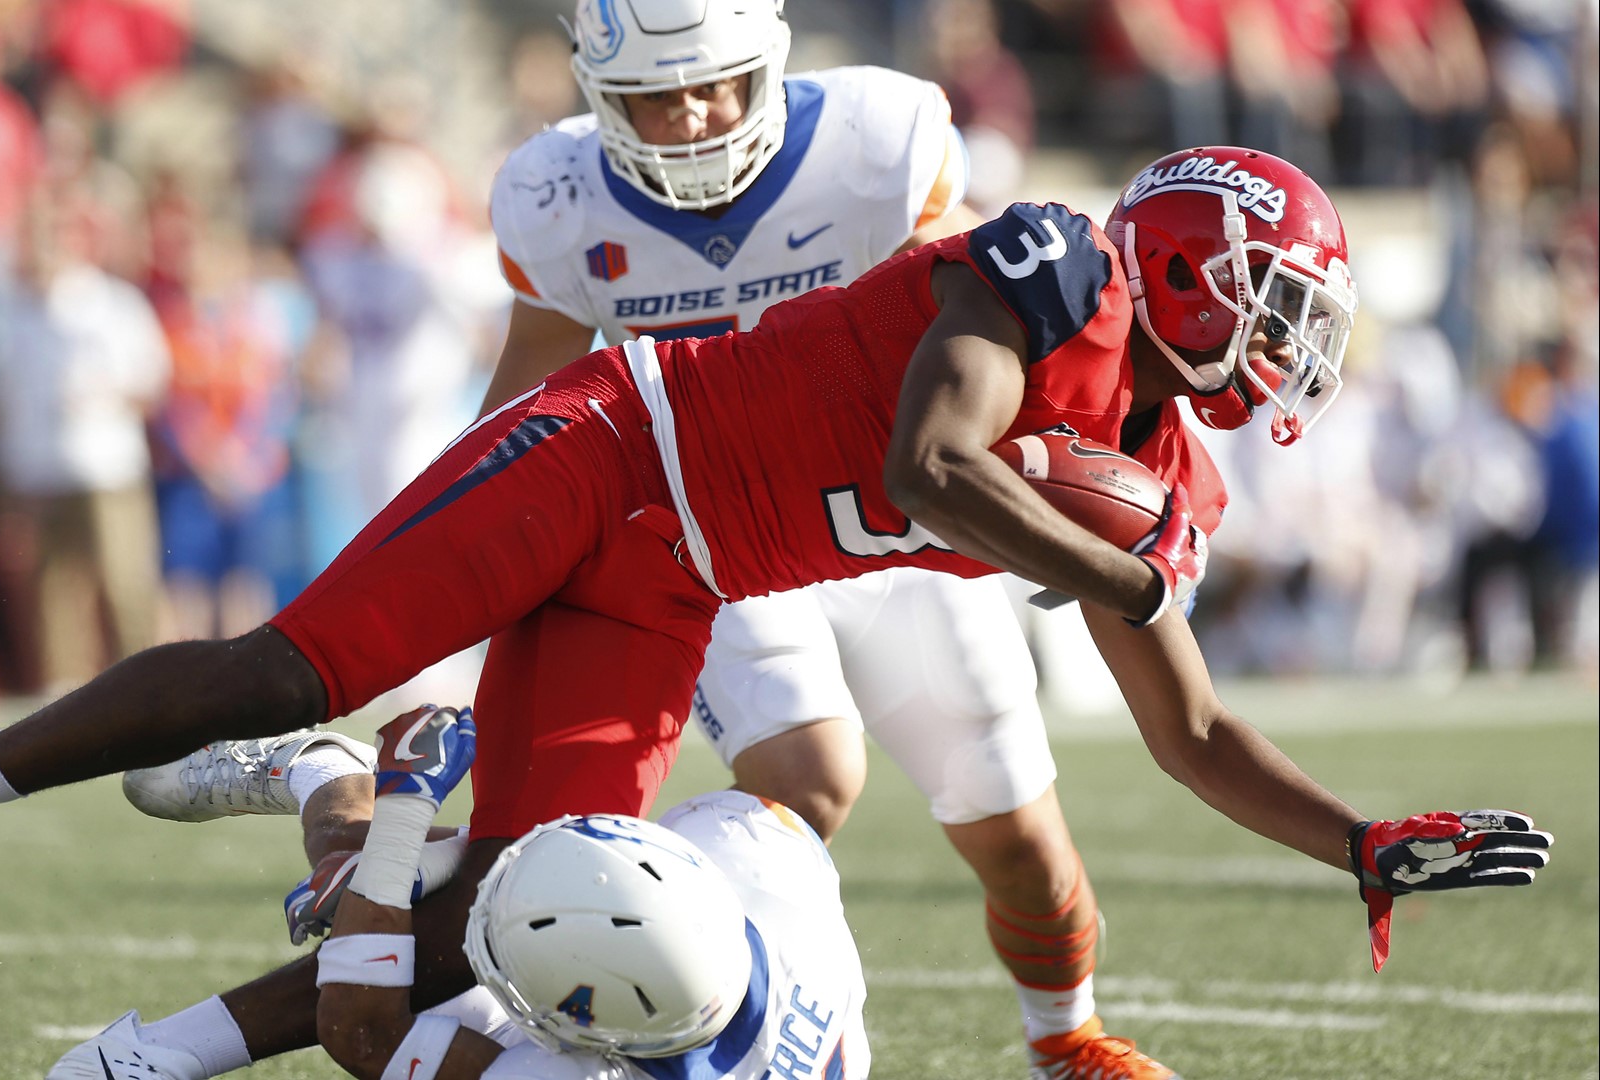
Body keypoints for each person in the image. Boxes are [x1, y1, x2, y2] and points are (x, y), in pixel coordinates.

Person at [0, 146, 1555, 1079]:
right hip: (606, 452)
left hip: (678, 585)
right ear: (1183, 258)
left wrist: (1359, 846)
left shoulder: (1170, 483)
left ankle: (163, 1047)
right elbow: (936, 461)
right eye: (1274, 298)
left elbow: (1192, 728)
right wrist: (1113, 567)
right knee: (285, 658)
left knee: (505, 925)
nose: (1288, 341)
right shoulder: (1058, 262)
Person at [126, 3, 1167, 1072]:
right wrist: (483, 557)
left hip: (894, 519)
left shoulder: (876, 140)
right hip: (709, 527)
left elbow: (982, 337)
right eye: (650, 96)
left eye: (711, 87)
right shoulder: (559, 191)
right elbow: (524, 391)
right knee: (808, 785)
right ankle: (641, 987)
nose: (689, 121)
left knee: (1018, 835)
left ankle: (1066, 1039)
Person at [54, 706, 870, 1080]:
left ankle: (329, 781)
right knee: (460, 887)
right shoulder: (764, 853)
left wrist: (408, 810)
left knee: (428, 963)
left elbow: (363, 1032)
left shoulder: (755, 851)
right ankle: (346, 820)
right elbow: (622, 876)